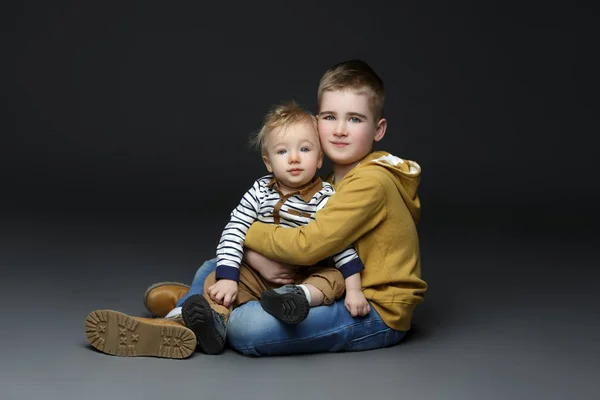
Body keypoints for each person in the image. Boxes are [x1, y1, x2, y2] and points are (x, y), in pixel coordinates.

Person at [145, 59, 428, 357]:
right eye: (330, 117)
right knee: (215, 265)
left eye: (355, 119)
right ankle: (187, 312)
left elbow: (307, 247)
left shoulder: (371, 182)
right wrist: (255, 259)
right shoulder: (328, 181)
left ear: (378, 129)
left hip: (373, 308)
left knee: (247, 328)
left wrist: (248, 236)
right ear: (317, 121)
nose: (341, 129)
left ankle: (205, 307)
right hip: (331, 284)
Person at [85, 101, 369, 358]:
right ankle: (207, 325)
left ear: (319, 159)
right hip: (259, 274)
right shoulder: (259, 191)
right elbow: (234, 230)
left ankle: (297, 300)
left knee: (334, 279)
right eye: (283, 151)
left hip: (306, 274)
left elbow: (340, 243)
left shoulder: (326, 197)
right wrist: (229, 278)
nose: (294, 158)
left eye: (304, 150)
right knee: (214, 280)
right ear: (268, 162)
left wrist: (355, 290)